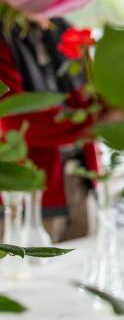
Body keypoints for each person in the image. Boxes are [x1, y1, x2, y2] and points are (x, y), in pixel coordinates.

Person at [0, 17, 99, 242]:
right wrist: (99, 119)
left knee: (83, 265)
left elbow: (89, 96)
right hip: (26, 194)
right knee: (29, 270)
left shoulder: (62, 28)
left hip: (79, 181)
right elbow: (15, 122)